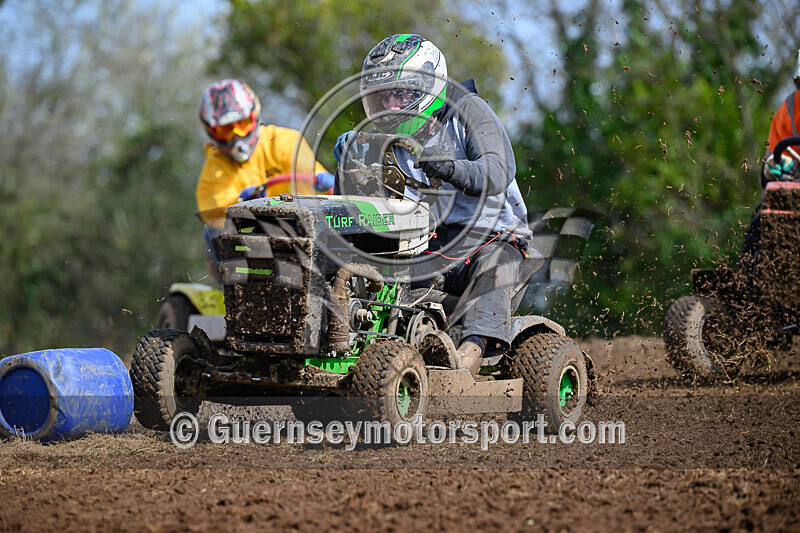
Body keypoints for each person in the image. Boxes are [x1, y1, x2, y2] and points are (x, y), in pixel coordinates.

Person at [335, 34, 535, 375]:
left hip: (493, 237)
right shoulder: (386, 138)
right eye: (381, 98)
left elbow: (498, 170)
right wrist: (351, 158)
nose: (390, 108)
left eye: (399, 95)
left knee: (493, 267)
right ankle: (360, 350)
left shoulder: (469, 112)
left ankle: (466, 358)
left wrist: (448, 166)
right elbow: (357, 205)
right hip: (427, 242)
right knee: (373, 273)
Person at [195, 79, 334, 279]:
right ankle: (248, 292)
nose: (236, 136)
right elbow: (219, 221)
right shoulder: (213, 171)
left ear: (254, 117)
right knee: (213, 234)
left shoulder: (285, 142)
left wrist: (326, 183)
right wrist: (242, 205)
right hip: (253, 249)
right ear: (211, 132)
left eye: (241, 124)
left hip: (303, 235)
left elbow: (318, 190)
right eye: (226, 129)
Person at [741, 50, 800, 260]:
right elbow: (769, 166)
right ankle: (748, 284)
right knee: (760, 222)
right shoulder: (790, 108)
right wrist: (776, 165)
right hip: (796, 192)